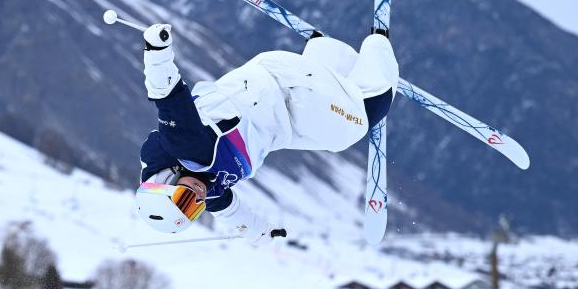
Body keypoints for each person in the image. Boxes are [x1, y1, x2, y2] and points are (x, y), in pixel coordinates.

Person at [135, 24, 398, 245]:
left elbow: (167, 97)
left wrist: (157, 52)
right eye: (193, 209)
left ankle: (378, 46)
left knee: (360, 121)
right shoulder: (205, 187)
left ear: (165, 181)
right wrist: (259, 233)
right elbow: (228, 210)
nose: (197, 198)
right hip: (282, 115)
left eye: (185, 198)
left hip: (285, 89)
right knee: (329, 137)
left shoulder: (188, 147)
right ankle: (327, 51)